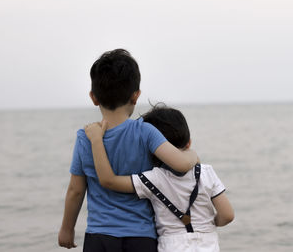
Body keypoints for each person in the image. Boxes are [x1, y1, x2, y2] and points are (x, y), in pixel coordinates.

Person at [58, 49, 198, 252]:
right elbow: (181, 165)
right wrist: (192, 155)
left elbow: (76, 190)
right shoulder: (145, 132)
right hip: (141, 237)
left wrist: (67, 228)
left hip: (99, 236)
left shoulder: (86, 137)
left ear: (93, 97)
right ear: (136, 95)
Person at [84, 103, 234, 252]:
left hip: (171, 245)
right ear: (189, 143)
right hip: (208, 244)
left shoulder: (153, 179)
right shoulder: (206, 172)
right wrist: (210, 223)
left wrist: (96, 140)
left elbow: (109, 181)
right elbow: (227, 215)